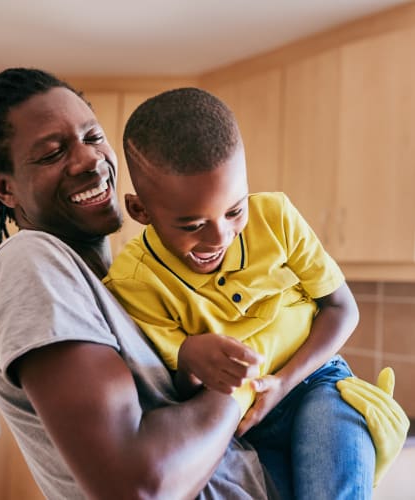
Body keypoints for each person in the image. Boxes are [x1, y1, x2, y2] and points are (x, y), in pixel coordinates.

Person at [0, 67, 279, 500]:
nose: (88, 160)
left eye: (93, 137)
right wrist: (240, 382)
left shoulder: (119, 281)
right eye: (51, 153)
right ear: (5, 188)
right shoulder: (32, 264)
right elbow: (138, 487)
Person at [103, 87, 410, 499]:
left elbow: (341, 308)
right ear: (140, 211)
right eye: (192, 225)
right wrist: (190, 355)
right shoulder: (134, 280)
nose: (221, 236)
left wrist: (282, 383)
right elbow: (172, 389)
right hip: (243, 425)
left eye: (234, 210)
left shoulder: (277, 216)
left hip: (316, 382)